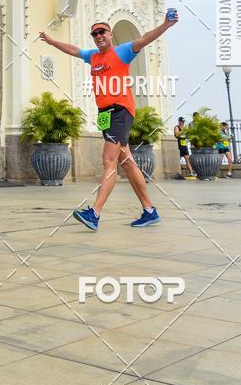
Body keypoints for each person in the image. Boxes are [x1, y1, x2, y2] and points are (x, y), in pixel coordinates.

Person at [39, 12, 178, 230]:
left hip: (121, 111)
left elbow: (145, 39)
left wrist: (166, 25)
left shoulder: (122, 51)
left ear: (110, 34)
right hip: (105, 114)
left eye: (101, 32)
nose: (98, 36)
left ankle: (94, 213)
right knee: (127, 162)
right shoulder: (93, 57)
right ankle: (149, 210)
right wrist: (51, 41)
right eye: (94, 33)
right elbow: (74, 50)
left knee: (108, 160)